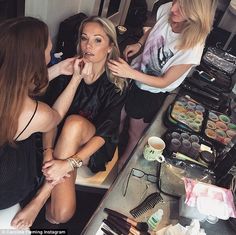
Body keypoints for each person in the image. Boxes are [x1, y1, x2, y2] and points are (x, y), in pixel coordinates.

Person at [108, 0, 218, 167]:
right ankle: (110, 147)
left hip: (151, 91)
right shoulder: (169, 9)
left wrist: (129, 73)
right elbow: (156, 29)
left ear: (196, 14)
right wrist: (139, 44)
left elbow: (164, 81)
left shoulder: (193, 47)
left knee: (134, 131)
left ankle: (124, 161)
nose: (172, 8)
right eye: (175, 1)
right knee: (118, 115)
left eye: (181, 8)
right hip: (135, 75)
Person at [41, 16, 128, 224]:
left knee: (75, 123)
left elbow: (105, 133)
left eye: (98, 40)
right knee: (60, 215)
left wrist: (68, 164)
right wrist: (49, 152)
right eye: (84, 38)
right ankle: (45, 211)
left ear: (110, 47)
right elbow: (51, 116)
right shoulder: (68, 68)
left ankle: (42, 195)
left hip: (94, 146)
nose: (88, 46)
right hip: (62, 138)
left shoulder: (116, 83)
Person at [0, 17, 84, 229]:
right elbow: (55, 115)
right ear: (36, 59)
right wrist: (75, 79)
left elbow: (16, 86)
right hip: (6, 188)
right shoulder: (36, 114)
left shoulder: (7, 82)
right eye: (48, 45)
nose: (51, 48)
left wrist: (57, 70)